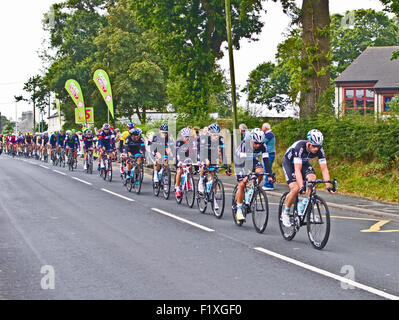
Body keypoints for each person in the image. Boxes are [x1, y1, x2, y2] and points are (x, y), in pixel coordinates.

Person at [281, 129, 335, 227]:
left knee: (312, 180)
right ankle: (286, 213)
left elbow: (324, 169)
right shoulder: (299, 147)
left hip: (303, 162)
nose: (316, 149)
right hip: (290, 163)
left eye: (318, 146)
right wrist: (301, 186)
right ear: (308, 142)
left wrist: (328, 185)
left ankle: (307, 208)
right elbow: (297, 170)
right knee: (296, 188)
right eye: (313, 146)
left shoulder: (320, 150)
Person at [234, 128, 275, 222]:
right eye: (256, 143)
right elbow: (243, 164)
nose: (257, 145)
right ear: (251, 139)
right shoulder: (245, 144)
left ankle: (252, 190)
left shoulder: (263, 145)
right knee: (242, 183)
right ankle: (239, 209)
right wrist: (245, 176)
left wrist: (269, 175)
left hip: (252, 159)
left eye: (259, 143)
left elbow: (266, 161)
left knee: (260, 172)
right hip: (240, 161)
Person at [197, 123, 231, 196]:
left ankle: (214, 196)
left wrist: (226, 166)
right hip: (203, 152)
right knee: (205, 165)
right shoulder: (204, 138)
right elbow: (202, 151)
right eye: (214, 135)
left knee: (213, 173)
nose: (216, 137)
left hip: (213, 154)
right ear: (209, 133)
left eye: (217, 134)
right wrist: (205, 159)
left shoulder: (220, 138)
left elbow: (223, 152)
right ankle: (200, 181)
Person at [262, 123, 276, 191]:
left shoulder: (269, 134)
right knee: (268, 168)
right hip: (269, 153)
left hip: (269, 154)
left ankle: (269, 185)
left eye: (262, 127)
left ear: (265, 128)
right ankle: (269, 183)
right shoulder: (269, 134)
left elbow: (262, 141)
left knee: (267, 169)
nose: (261, 128)